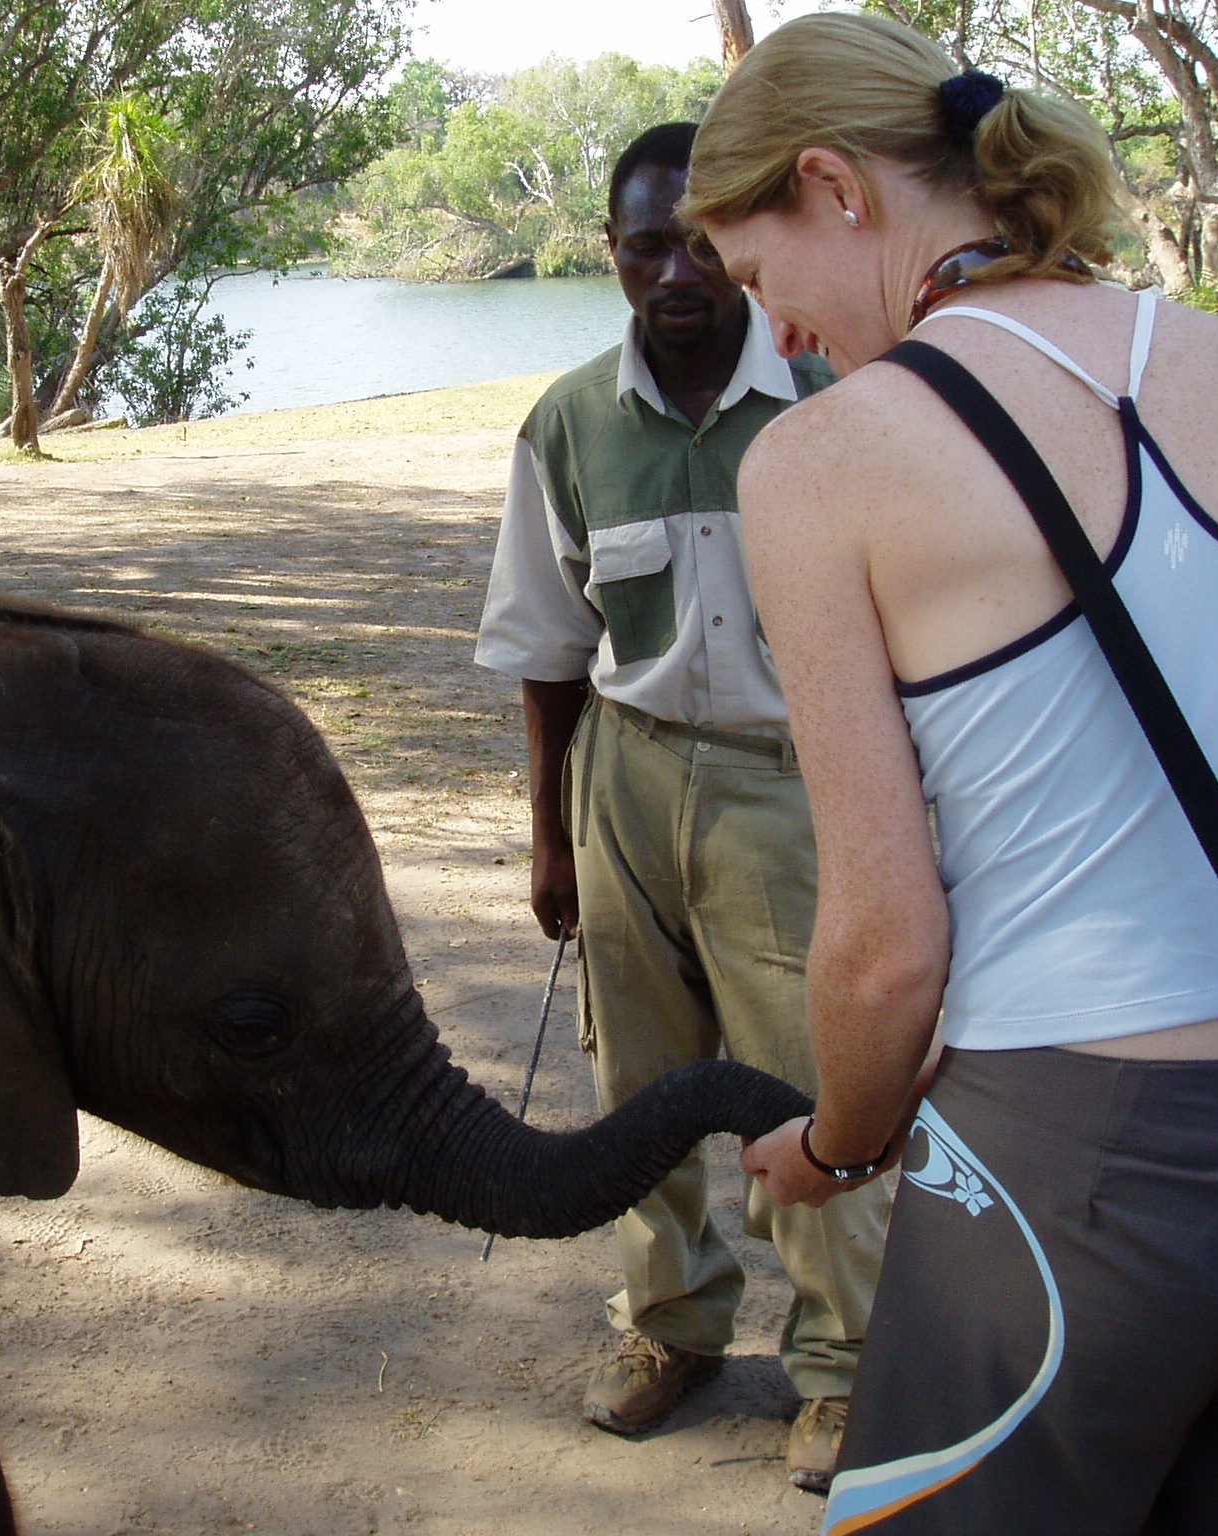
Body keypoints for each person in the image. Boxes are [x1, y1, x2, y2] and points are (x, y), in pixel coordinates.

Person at [678, 13, 1218, 1533]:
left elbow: (885, 956)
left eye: (762, 279)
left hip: (1083, 1147)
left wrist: (838, 1140)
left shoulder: (825, 459)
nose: (780, 336)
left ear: (835, 186)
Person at [474, 120, 893, 1493]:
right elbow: (546, 650)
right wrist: (552, 838)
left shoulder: (840, 401)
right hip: (628, 774)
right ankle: (670, 1327)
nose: (677, 272)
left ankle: (841, 1369)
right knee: (638, 1084)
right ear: (610, 256)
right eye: (646, 244)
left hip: (797, 787)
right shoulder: (570, 426)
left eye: (703, 242)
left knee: (819, 1085)